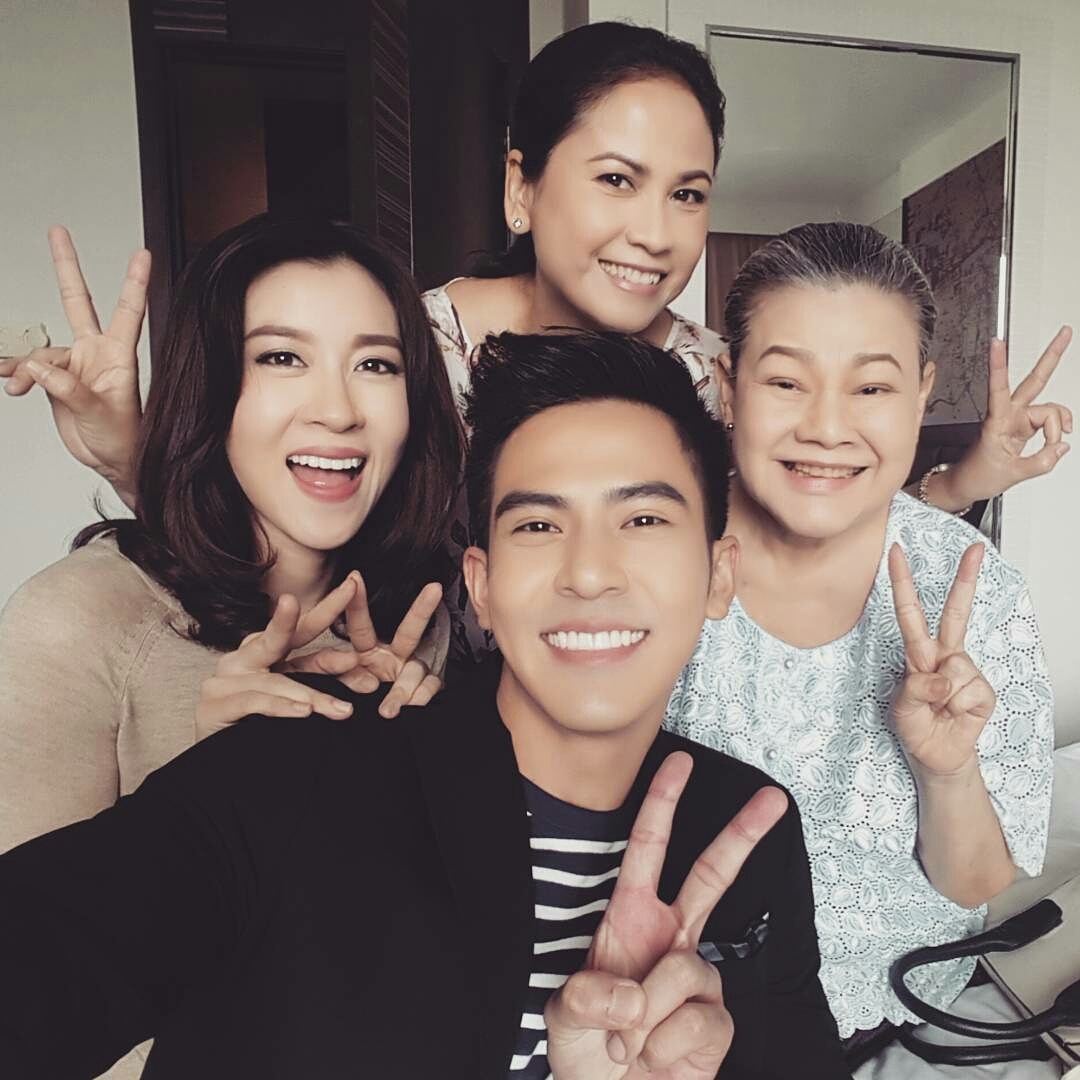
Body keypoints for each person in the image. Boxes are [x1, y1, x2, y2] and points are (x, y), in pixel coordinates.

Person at [3, 25, 1070, 655]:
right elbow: (273, 549)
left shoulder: (716, 374)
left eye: (687, 193)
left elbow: (814, 530)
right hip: (412, 717)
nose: (654, 233)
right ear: (523, 183)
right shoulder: (404, 349)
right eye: (616, 179)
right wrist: (132, 453)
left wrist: (968, 475)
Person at [0, 332, 851, 1079]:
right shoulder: (292, 774)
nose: (590, 573)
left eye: (643, 520)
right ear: (481, 586)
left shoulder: (746, 828)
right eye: (538, 526)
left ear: (720, 575)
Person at [662, 222, 1056, 1063]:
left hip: (899, 1016)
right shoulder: (656, 556)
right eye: (786, 382)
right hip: (684, 1026)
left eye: (871, 387)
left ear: (921, 394)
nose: (827, 428)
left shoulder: (976, 589)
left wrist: (945, 769)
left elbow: (977, 883)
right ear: (729, 387)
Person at [0, 216, 462, 856]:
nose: (338, 411)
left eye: (376, 364)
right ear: (210, 387)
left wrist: (425, 769)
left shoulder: (415, 622)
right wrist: (216, 777)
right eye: (282, 358)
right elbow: (34, 918)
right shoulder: (76, 623)